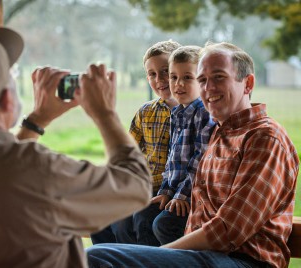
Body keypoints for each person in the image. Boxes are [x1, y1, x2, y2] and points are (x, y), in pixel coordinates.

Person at [0, 27, 153, 268]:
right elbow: (136, 185)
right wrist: (104, 114)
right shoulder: (37, 170)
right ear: (7, 99)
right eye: (11, 75)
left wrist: (36, 121)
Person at [87, 42, 299, 268]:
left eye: (219, 77)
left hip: (241, 260)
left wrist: (158, 255)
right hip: (205, 255)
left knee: (97, 257)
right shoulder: (220, 132)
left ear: (247, 84)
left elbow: (226, 232)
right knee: (97, 250)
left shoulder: (264, 138)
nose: (208, 88)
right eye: (202, 80)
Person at [91, 40, 181, 246]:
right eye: (152, 74)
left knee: (131, 222)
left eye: (165, 71)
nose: (159, 79)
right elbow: (128, 153)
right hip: (141, 184)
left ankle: (132, 259)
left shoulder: (191, 112)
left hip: (168, 188)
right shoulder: (145, 112)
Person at [151, 45, 216, 245]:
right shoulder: (177, 113)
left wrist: (181, 195)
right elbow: (172, 161)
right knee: (137, 215)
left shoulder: (204, 113)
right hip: (174, 191)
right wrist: (165, 191)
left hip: (190, 194)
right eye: (173, 77)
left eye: (188, 77)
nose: (178, 84)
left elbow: (200, 159)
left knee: (163, 224)